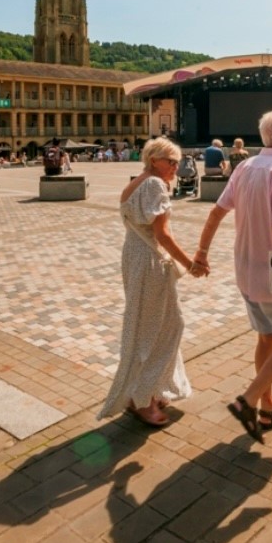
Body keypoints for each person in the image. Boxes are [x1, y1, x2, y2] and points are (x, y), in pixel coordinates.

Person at [191, 109, 272, 443]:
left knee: (266, 336)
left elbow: (216, 212)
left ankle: (269, 407)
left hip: (245, 269)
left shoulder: (245, 166)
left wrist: (201, 252)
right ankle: (249, 399)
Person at [98, 137, 198, 428]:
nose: (176, 168)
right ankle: (144, 399)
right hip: (152, 261)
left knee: (150, 324)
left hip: (134, 256)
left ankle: (146, 392)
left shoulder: (135, 182)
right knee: (163, 327)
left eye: (178, 162)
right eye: (171, 161)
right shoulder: (154, 184)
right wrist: (190, 263)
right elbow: (163, 234)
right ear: (154, 159)